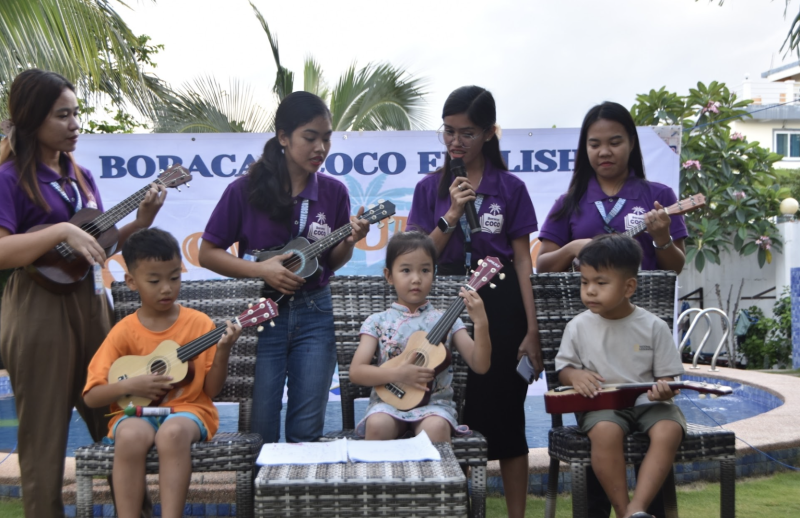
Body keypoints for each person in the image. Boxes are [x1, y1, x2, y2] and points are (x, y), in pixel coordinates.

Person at [0, 69, 166, 518]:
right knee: (43, 436)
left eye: (77, 114)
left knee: (116, 418)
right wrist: (60, 229)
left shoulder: (82, 175)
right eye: (62, 115)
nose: (75, 124)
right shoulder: (10, 176)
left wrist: (140, 222)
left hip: (91, 304)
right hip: (36, 308)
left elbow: (94, 245)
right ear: (33, 120)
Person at [198, 91, 370, 444]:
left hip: (316, 312)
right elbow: (207, 253)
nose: (320, 147)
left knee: (306, 431)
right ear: (283, 137)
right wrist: (262, 271)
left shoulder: (335, 193)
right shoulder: (244, 190)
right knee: (260, 427)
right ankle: (260, 499)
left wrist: (349, 241)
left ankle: (299, 498)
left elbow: (332, 262)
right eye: (310, 137)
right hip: (261, 315)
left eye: (327, 138)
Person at [407, 85, 542, 518]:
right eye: (448, 132)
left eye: (466, 133)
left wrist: (532, 330)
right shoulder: (430, 188)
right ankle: (456, 507)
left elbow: (523, 261)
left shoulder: (510, 187)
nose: (455, 142)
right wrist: (449, 214)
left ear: (489, 133)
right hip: (443, 300)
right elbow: (416, 255)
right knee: (452, 410)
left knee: (506, 415)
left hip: (501, 305)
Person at [83, 228, 242, 518]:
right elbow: (93, 397)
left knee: (173, 432)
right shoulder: (124, 332)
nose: (166, 288)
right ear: (131, 281)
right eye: (154, 281)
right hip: (137, 414)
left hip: (188, 411)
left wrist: (223, 350)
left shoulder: (199, 323)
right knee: (129, 435)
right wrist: (132, 384)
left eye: (174, 277)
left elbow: (211, 391)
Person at [555, 234, 686, 518]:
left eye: (600, 283)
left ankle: (637, 508)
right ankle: (625, 510)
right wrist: (574, 375)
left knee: (669, 430)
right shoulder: (578, 326)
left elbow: (671, 379)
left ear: (629, 287)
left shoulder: (653, 326)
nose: (590, 291)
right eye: (584, 282)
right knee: (604, 431)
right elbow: (563, 370)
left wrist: (666, 389)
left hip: (649, 404)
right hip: (604, 407)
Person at [349, 231, 491, 441]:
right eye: (406, 270)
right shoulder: (377, 322)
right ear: (389, 276)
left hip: (434, 407)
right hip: (387, 405)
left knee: (435, 427)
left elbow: (480, 365)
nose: (416, 279)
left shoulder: (447, 320)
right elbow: (357, 372)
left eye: (425, 270)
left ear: (433, 273)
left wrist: (481, 323)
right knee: (378, 424)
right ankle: (383, 475)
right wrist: (399, 374)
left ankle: (433, 475)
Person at [536, 101, 687, 274]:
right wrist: (573, 248)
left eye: (614, 143)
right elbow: (543, 267)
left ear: (631, 143)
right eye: (594, 145)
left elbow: (675, 269)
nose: (604, 152)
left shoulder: (660, 196)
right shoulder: (569, 202)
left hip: (644, 300)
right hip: (585, 300)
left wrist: (662, 239)